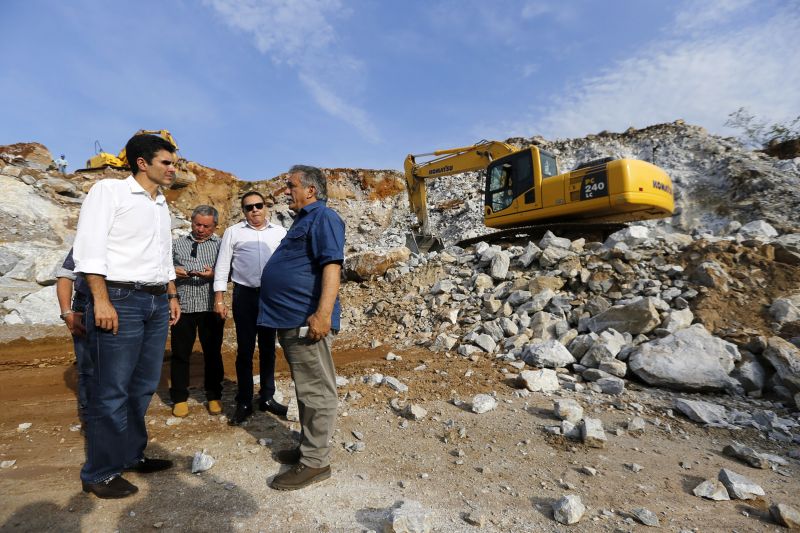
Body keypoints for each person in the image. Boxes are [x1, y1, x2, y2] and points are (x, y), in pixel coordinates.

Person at [73, 134, 181, 499]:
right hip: (120, 297)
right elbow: (89, 248)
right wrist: (101, 301)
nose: (173, 169)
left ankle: (132, 454)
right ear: (141, 162)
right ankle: (100, 472)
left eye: (173, 163)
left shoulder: (161, 204)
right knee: (112, 390)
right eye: (166, 162)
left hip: (155, 301)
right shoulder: (109, 192)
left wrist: (170, 294)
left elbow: (163, 256)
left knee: (143, 386)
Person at [259, 165, 345, 491]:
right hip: (292, 320)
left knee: (317, 392)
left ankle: (315, 463)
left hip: (306, 321)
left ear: (310, 190)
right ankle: (308, 448)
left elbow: (331, 266)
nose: (286, 190)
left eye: (291, 185)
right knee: (306, 389)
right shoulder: (304, 221)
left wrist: (322, 314)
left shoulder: (324, 218)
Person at [213, 191, 287, 425]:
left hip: (270, 296)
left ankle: (267, 396)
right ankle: (244, 400)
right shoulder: (233, 232)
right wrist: (219, 299)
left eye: (258, 205)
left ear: (266, 207)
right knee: (244, 349)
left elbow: (287, 264)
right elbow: (223, 265)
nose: (254, 210)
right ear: (243, 211)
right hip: (244, 294)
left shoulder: (280, 233)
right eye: (249, 207)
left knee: (268, 348)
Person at [169, 205, 225, 417]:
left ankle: (213, 395)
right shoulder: (177, 245)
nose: (201, 229)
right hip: (182, 307)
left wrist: (214, 275)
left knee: (212, 353)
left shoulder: (221, 245)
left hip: (210, 306)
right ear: (192, 222)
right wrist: (174, 271)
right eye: (197, 224)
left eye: (206, 226)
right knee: (180, 354)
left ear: (215, 226)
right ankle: (180, 398)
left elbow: (230, 272)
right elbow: (164, 269)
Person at [55, 248, 91, 422]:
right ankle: (91, 419)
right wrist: (67, 313)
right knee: (88, 368)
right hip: (85, 304)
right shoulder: (89, 234)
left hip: (126, 306)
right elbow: (65, 275)